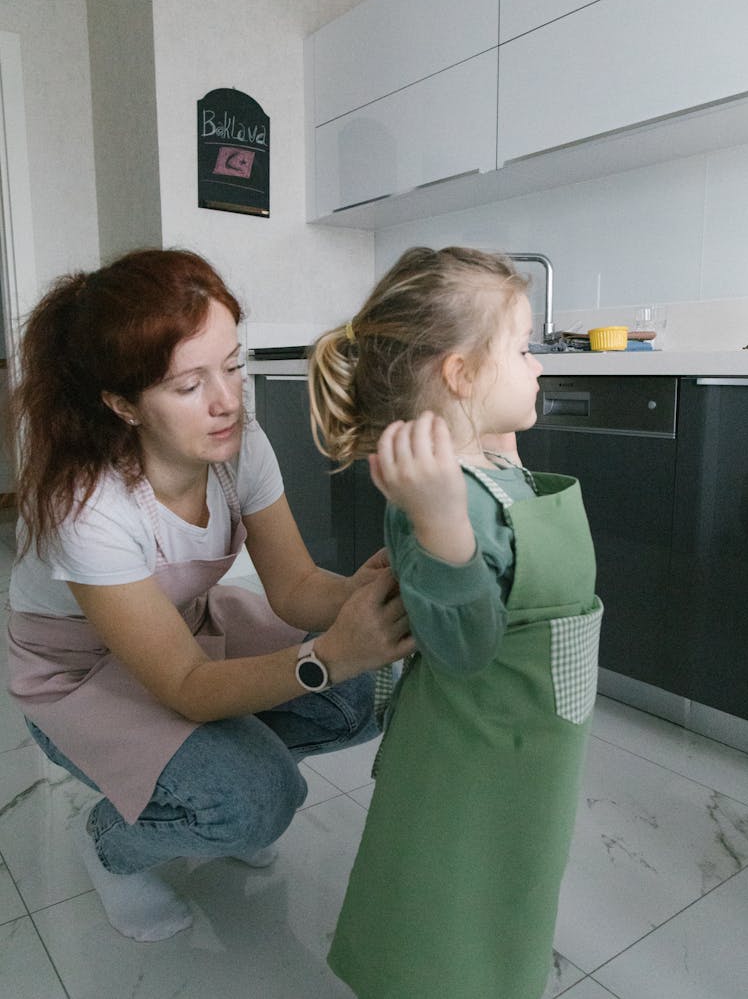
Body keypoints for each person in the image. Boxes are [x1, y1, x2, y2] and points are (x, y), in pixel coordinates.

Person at [5, 247, 413, 943]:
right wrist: (326, 654)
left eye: (232, 364)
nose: (228, 400)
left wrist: (361, 597)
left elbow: (295, 586)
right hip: (75, 673)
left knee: (365, 690)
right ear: (122, 402)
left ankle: (210, 787)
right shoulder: (90, 506)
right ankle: (113, 839)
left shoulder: (238, 445)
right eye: (189, 384)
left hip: (181, 632)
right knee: (262, 798)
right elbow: (188, 684)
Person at [307, 246, 603, 999]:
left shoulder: (482, 462)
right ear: (461, 375)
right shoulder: (446, 501)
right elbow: (465, 645)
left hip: (525, 734)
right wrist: (438, 519)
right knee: (451, 888)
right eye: (524, 347)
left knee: (501, 877)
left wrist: (491, 435)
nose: (539, 365)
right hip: (483, 741)